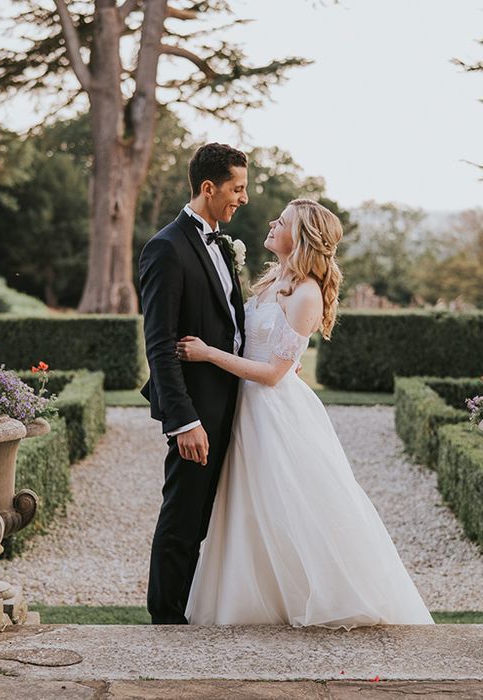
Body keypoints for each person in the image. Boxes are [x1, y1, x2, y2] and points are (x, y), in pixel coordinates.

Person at [177, 198, 434, 628]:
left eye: (284, 221)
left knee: (291, 508)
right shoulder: (273, 280)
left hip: (273, 412)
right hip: (248, 409)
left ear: (302, 237)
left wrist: (208, 354)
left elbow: (274, 374)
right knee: (251, 507)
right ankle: (252, 602)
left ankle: (326, 595)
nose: (273, 223)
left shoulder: (307, 293)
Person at [139, 143, 248, 624]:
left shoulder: (221, 242)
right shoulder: (166, 247)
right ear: (209, 187)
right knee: (183, 518)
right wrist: (183, 420)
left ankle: (198, 609)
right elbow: (160, 345)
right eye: (237, 188)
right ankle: (165, 622)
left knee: (211, 519)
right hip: (197, 411)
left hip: (234, 404)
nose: (243, 197)